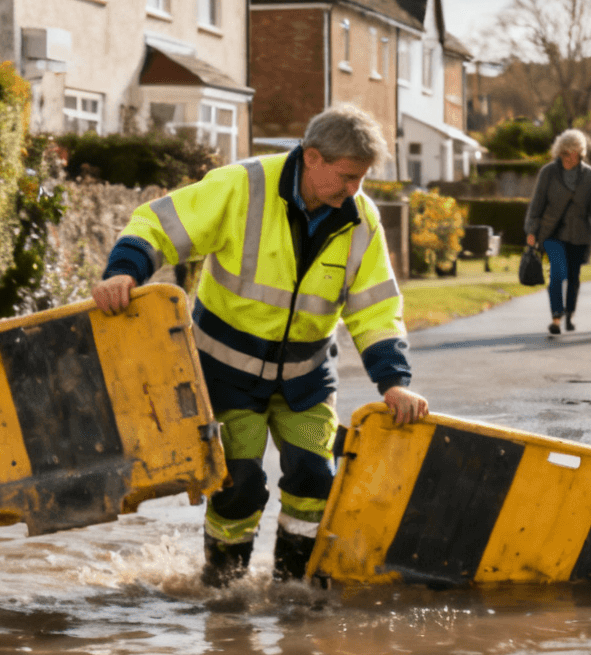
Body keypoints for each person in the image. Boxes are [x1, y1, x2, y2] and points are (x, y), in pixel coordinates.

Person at [91, 104, 429, 587]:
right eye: (347, 176)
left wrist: (394, 383)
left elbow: (374, 309)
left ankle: (294, 589)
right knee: (239, 487)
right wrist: (123, 274)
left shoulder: (361, 221)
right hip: (226, 379)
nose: (354, 190)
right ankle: (222, 588)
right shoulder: (241, 187)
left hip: (306, 381)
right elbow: (157, 226)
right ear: (312, 158)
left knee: (316, 479)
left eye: (362, 179)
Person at [524, 129, 591, 336]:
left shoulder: (589, 175)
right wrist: (532, 230)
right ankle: (556, 317)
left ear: (581, 153)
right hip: (552, 232)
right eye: (565, 153)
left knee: (573, 277)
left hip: (580, 234)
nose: (569, 158)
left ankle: (570, 313)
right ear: (559, 153)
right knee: (557, 273)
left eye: (573, 153)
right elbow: (537, 204)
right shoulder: (548, 173)